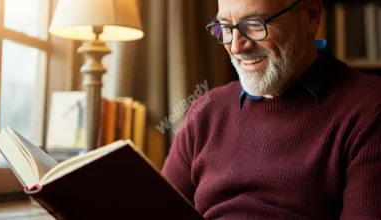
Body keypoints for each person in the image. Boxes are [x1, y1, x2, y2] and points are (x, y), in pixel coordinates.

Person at [162, 0, 381, 219]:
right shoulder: (205, 111)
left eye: (255, 24)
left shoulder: (369, 107)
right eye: (225, 28)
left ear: (311, 17)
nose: (236, 47)